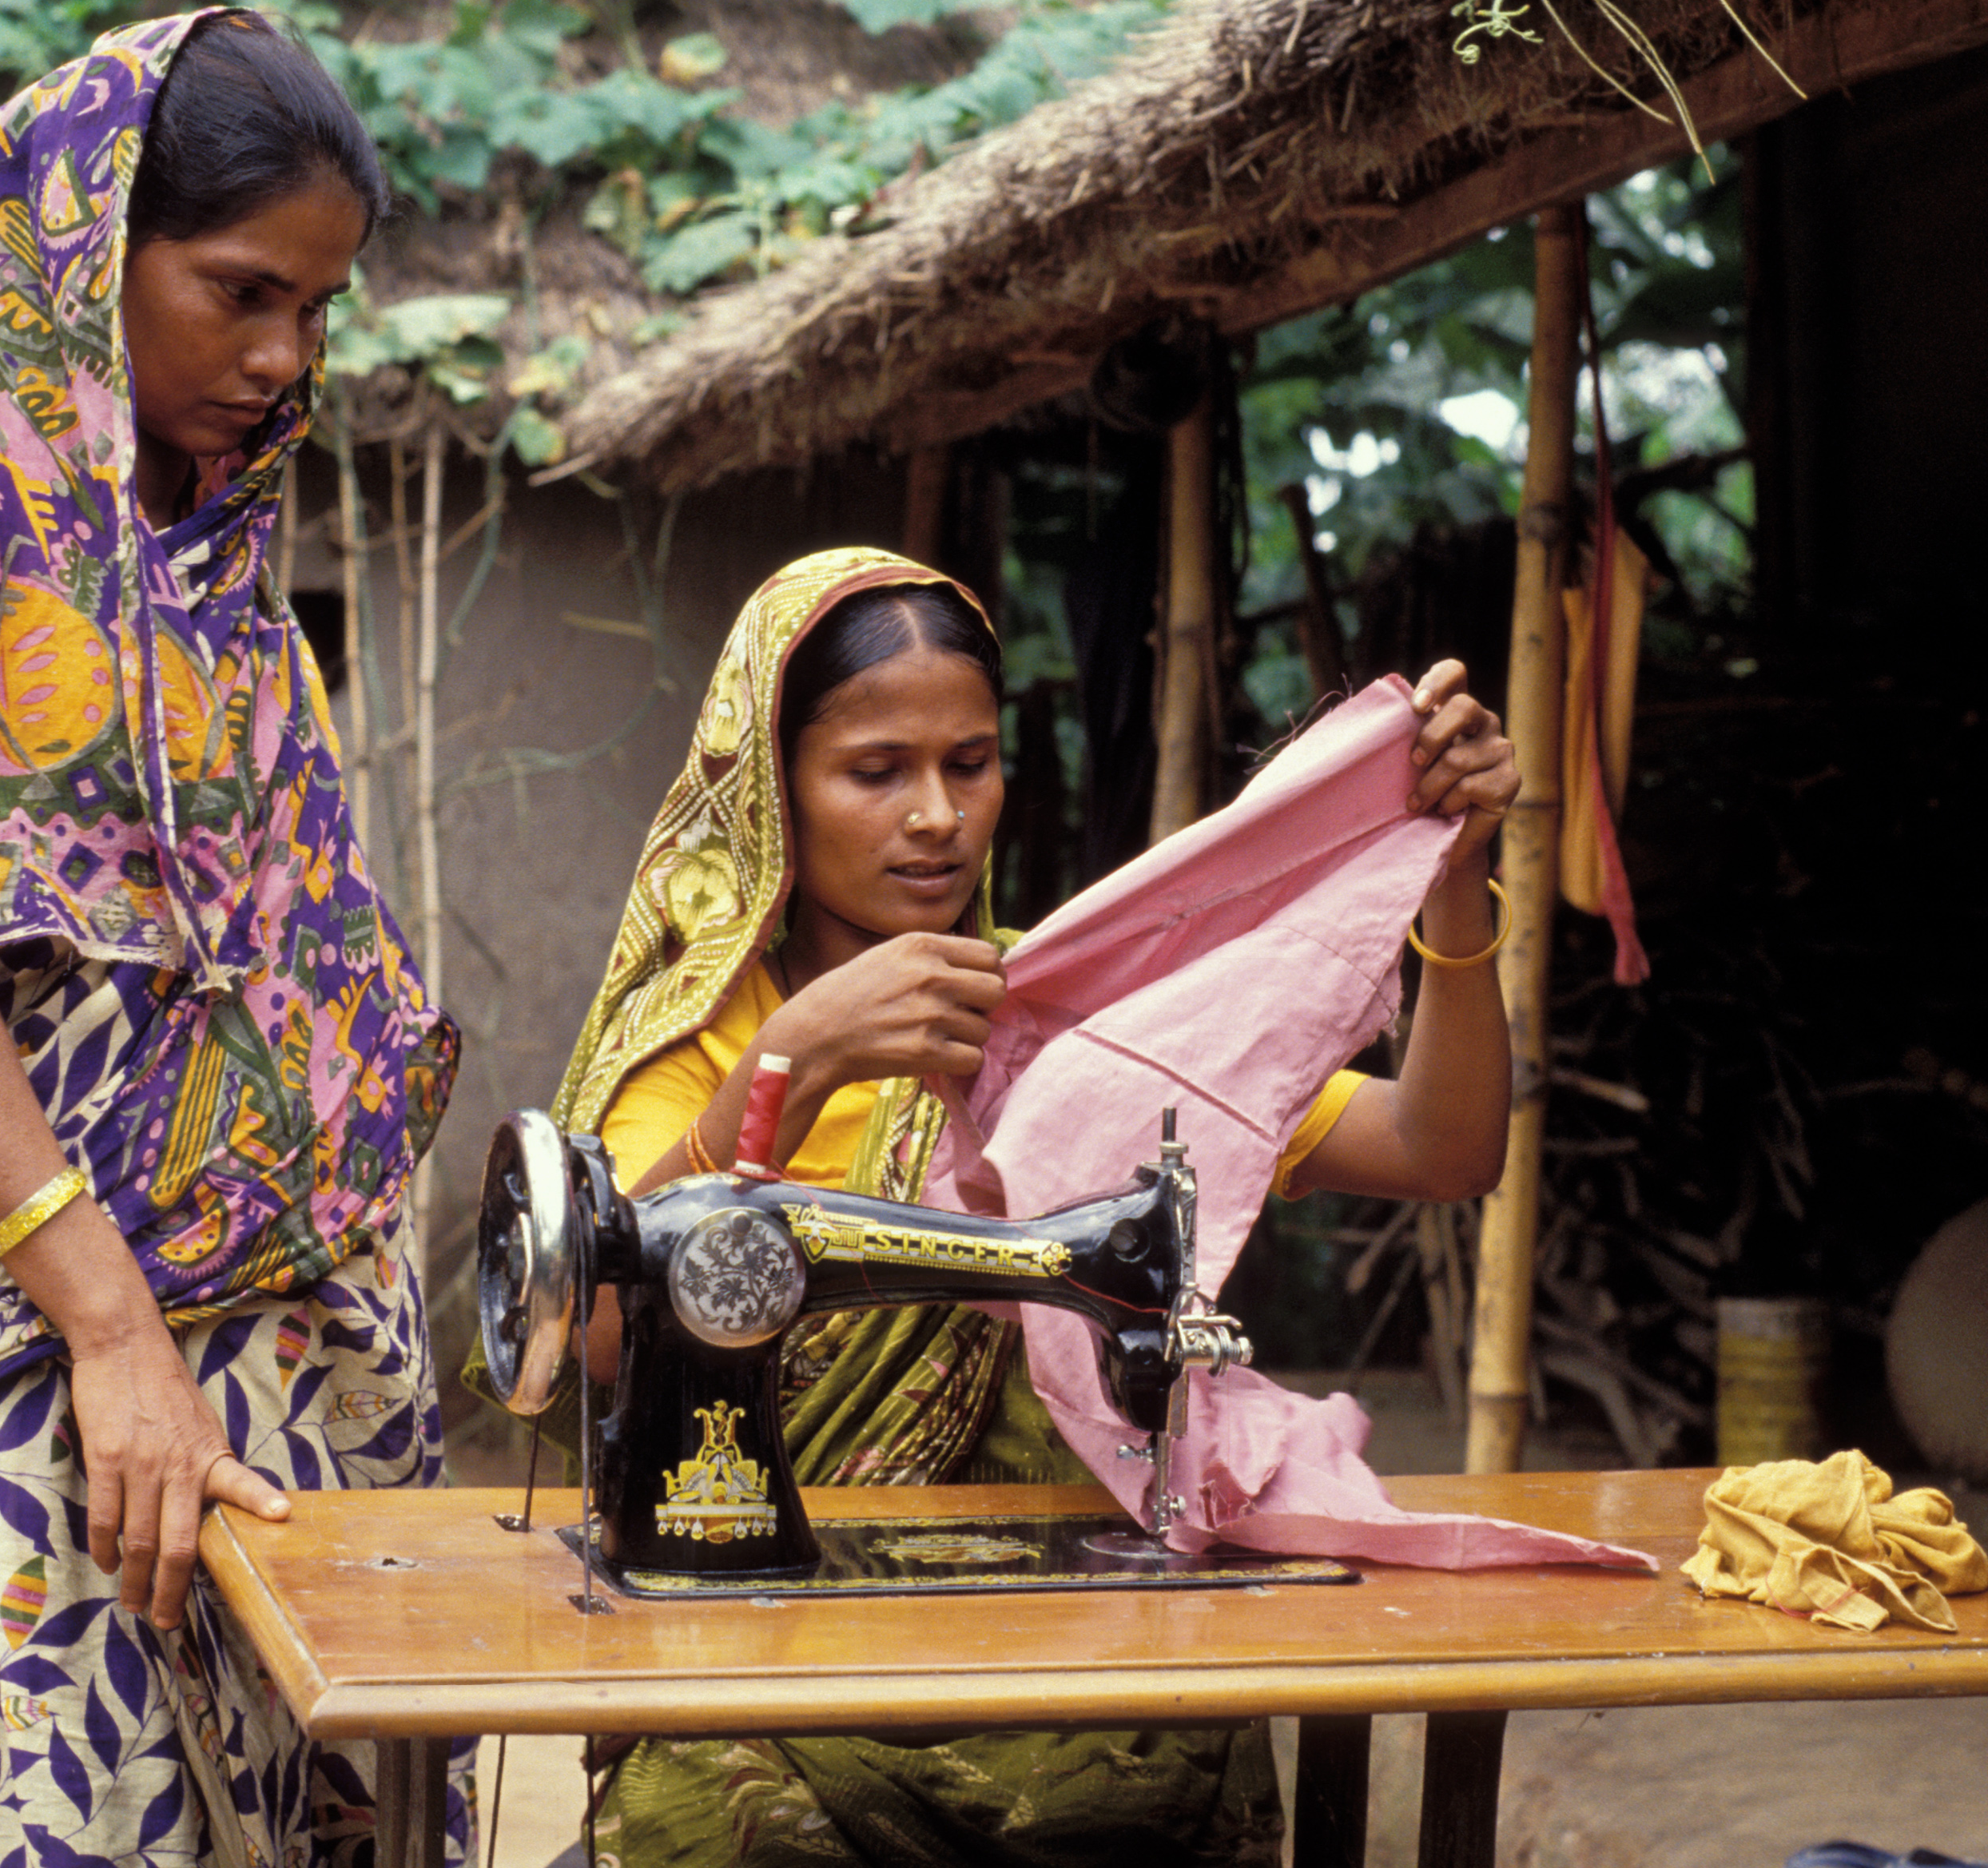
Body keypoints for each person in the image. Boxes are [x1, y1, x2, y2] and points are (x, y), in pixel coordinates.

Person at [0, 10, 459, 1868]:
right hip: (49, 1368)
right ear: (82, 250)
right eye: (240, 291)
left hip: (298, 1367)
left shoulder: (213, 563)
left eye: (316, 306)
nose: (283, 353)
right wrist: (115, 1334)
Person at [548, 546, 1517, 1867]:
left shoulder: (1075, 1020)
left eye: (971, 761)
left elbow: (1442, 1145)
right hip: (772, 1668)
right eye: (876, 770)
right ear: (773, 794)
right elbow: (589, 1340)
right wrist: (793, 1065)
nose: (938, 815)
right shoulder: (702, 1047)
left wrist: (1454, 877)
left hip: (1081, 1676)